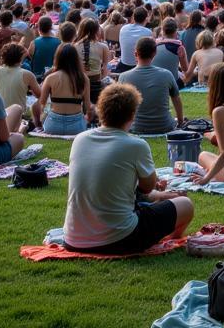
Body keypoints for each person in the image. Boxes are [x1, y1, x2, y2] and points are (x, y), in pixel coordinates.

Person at [62, 82, 194, 254]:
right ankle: (171, 239)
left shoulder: (80, 139)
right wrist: (155, 185)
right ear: (132, 115)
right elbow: (146, 188)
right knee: (186, 205)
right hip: (119, 239)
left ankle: (163, 207)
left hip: (73, 239)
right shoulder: (135, 145)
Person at [119, 36, 184, 135]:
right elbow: (177, 99)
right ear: (155, 53)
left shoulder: (124, 77)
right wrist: (180, 121)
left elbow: (121, 107)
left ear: (135, 53)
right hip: (164, 126)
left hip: (136, 128)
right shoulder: (166, 74)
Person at [39, 43, 92, 135]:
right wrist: (88, 119)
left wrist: (41, 119)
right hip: (77, 126)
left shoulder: (50, 78)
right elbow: (88, 106)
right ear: (76, 59)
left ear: (58, 58)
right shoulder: (84, 79)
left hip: (53, 125)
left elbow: (42, 103)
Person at [0, 43, 41, 125]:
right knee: (38, 102)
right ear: (20, 57)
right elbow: (39, 95)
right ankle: (38, 124)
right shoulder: (27, 74)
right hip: (17, 116)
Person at [116, 7, 152, 73]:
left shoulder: (123, 28)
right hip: (137, 67)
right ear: (146, 18)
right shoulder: (148, 32)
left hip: (123, 66)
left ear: (133, 17)